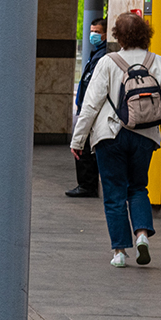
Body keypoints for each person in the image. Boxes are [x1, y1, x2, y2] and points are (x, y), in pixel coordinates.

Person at [71, 11, 161, 268]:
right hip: (145, 136)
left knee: (114, 192)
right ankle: (141, 234)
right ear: (145, 35)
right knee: (138, 187)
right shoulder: (158, 62)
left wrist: (78, 139)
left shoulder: (108, 62)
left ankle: (119, 251)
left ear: (117, 36)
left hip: (111, 135)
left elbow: (91, 105)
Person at [65, 15, 109, 198]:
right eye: (91, 32)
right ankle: (87, 183)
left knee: (82, 144)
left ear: (106, 34)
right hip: (86, 106)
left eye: (97, 32)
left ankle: (87, 184)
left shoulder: (103, 56)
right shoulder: (97, 53)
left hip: (91, 108)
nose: (93, 36)